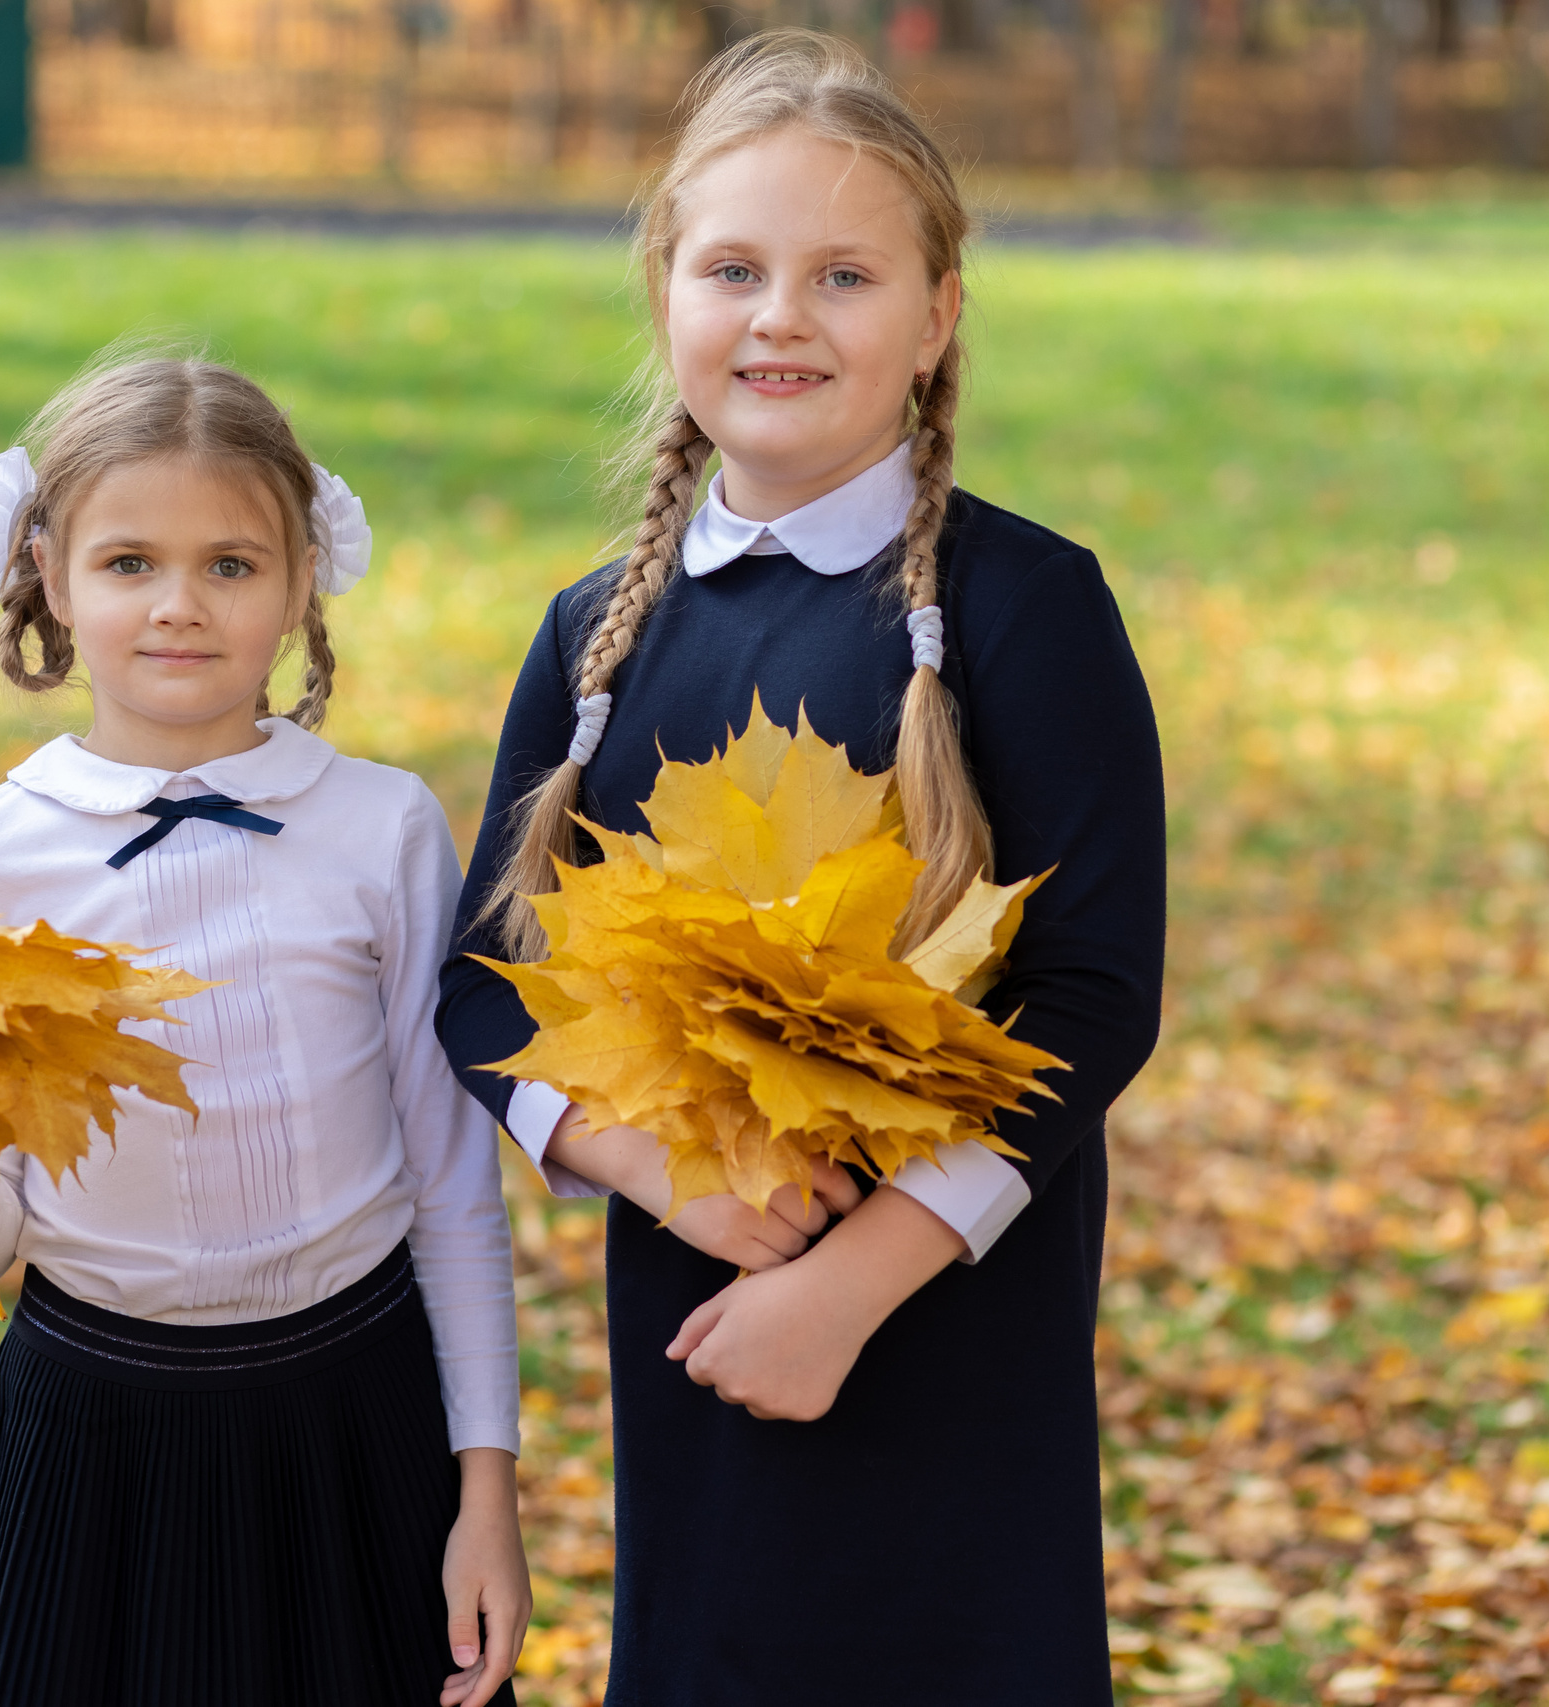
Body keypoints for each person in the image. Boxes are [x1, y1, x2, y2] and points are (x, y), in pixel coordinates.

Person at [435, 31, 1166, 1705]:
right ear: (666, 296)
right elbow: (482, 988)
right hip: (699, 1320)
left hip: (952, 1310)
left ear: (937, 314)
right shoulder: (594, 642)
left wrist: (855, 1278)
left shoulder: (1022, 609)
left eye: (844, 273)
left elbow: (1098, 996)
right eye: (735, 269)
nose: (782, 316)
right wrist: (667, 1181)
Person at [0, 352, 527, 1707]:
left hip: (352, 1428)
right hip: (89, 1432)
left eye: (231, 566)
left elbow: (453, 1190)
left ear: (302, 580)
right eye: (129, 562)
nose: (179, 606)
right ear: (50, 577)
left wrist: (486, 1487)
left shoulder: (383, 828)